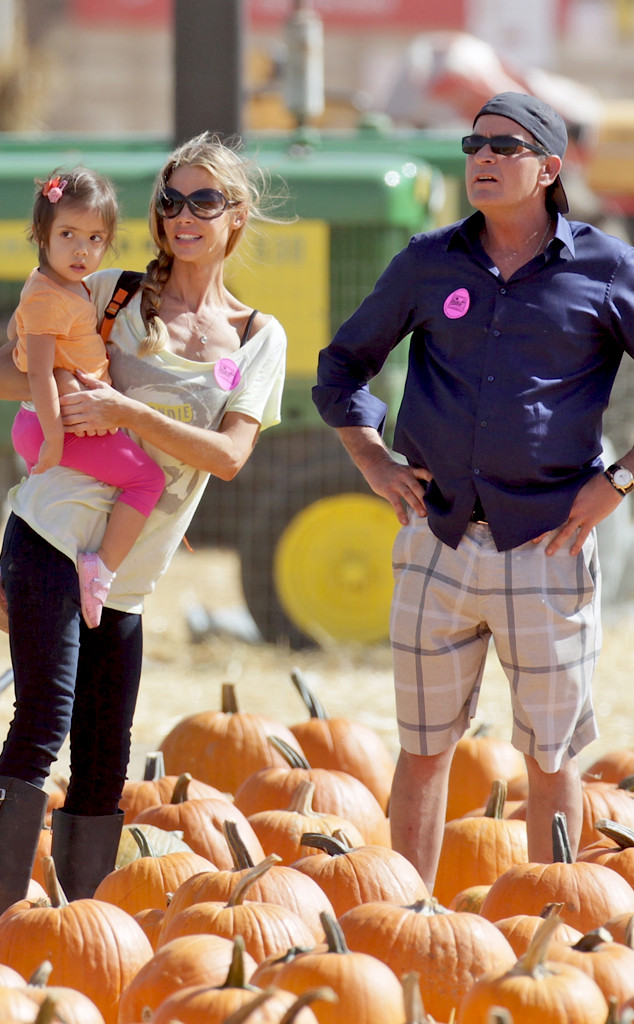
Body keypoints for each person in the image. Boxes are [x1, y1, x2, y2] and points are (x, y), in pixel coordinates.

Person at [312, 91, 634, 892]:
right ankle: (406, 917)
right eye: (474, 144)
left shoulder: (606, 267)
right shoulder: (428, 261)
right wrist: (371, 458)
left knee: (550, 755)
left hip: (551, 544)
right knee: (423, 750)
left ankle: (553, 916)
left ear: (549, 169)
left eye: (504, 146)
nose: (482, 158)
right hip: (438, 538)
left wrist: (618, 481)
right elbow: (341, 366)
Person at [0, 132, 286, 910]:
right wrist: (56, 383)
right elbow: (13, 366)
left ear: (236, 215)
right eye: (170, 199)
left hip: (126, 576)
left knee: (105, 753)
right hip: (50, 537)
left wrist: (125, 411)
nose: (183, 214)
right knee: (42, 723)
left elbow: (230, 457)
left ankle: (83, 924)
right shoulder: (110, 293)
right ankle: (6, 919)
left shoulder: (258, 337)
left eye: (203, 200)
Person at [9, 167, 165, 629]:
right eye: (68, 235)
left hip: (55, 421)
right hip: (56, 425)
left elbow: (34, 344)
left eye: (95, 238)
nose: (82, 250)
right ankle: (100, 571)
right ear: (42, 234)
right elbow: (38, 371)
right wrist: (55, 439)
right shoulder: (47, 297)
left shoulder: (60, 285)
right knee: (147, 481)